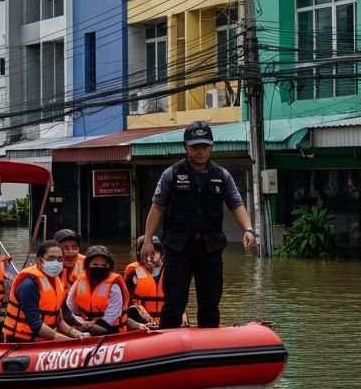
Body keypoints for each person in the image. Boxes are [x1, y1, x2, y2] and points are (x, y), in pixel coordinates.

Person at [140, 121, 257, 329]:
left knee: (210, 302)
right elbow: (157, 208)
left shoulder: (222, 176)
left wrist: (248, 229)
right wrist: (148, 239)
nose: (200, 151)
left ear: (212, 146)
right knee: (174, 301)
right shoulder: (172, 174)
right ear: (186, 147)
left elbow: (236, 204)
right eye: (195, 147)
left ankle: (208, 345)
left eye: (205, 146)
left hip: (210, 248)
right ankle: (168, 345)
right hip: (178, 248)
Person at [3, 240, 86, 342]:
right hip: (21, 342)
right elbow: (36, 325)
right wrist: (69, 341)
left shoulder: (56, 282)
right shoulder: (29, 285)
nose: (56, 263)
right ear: (39, 261)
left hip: (44, 340)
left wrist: (78, 335)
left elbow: (58, 320)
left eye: (59, 259)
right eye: (51, 258)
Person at [65, 245, 130, 335]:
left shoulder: (114, 287)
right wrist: (78, 324)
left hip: (110, 330)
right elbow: (70, 307)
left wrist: (89, 326)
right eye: (95, 265)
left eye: (103, 265)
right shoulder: (79, 282)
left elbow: (110, 318)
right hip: (83, 325)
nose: (99, 268)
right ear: (88, 266)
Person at [124, 235, 167, 326]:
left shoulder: (170, 270)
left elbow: (178, 297)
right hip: (142, 322)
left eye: (155, 252)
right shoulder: (133, 271)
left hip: (166, 321)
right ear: (141, 254)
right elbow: (125, 302)